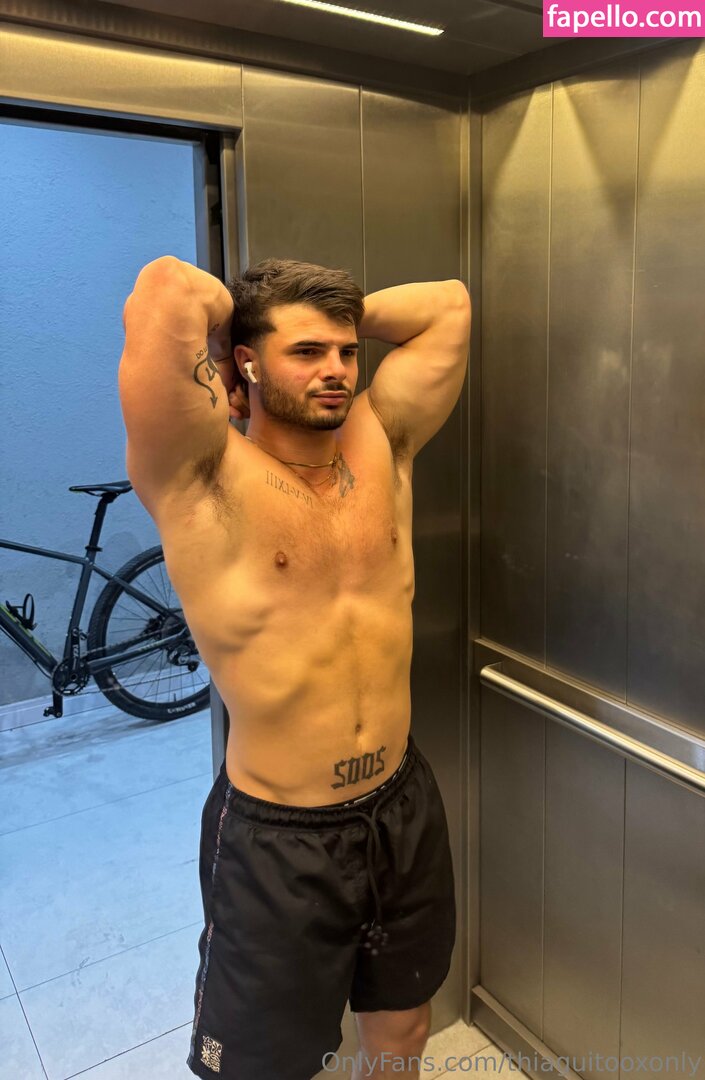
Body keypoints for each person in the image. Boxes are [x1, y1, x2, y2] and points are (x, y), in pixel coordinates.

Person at [118, 254, 471, 1080]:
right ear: (244, 362)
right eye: (306, 352)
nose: (337, 370)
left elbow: (448, 306)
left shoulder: (382, 441)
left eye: (346, 352)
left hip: (400, 805)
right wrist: (238, 323)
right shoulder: (201, 478)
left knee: (404, 1025)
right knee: (265, 1067)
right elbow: (169, 288)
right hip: (279, 836)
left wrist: (337, 313)